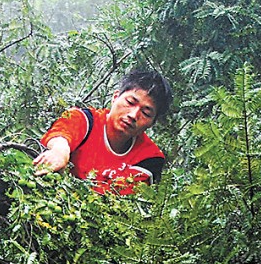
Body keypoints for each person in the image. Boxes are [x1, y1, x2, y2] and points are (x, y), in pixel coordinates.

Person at [34, 69, 173, 194]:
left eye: (146, 113)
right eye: (130, 102)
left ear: (152, 123)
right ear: (115, 97)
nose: (133, 115)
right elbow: (61, 135)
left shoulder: (149, 159)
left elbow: (118, 201)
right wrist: (60, 153)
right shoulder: (84, 119)